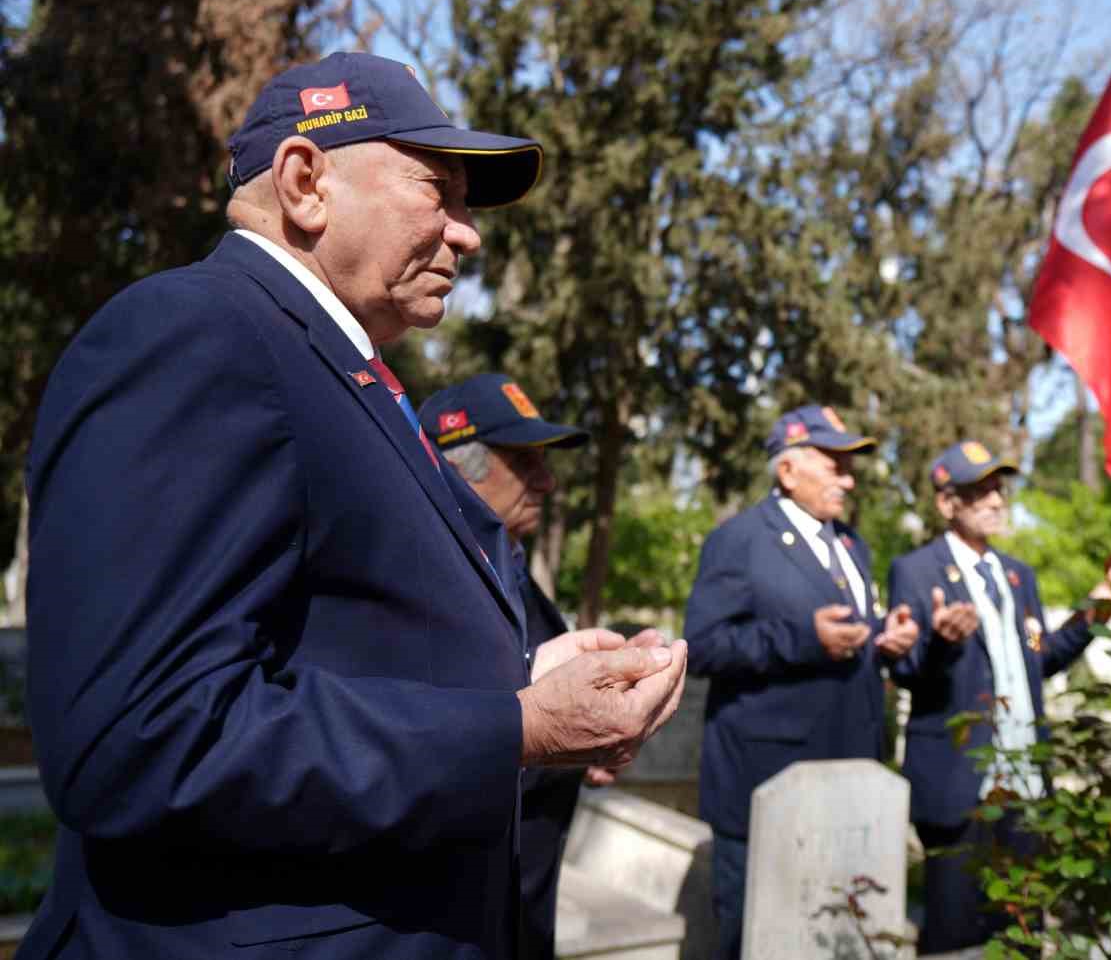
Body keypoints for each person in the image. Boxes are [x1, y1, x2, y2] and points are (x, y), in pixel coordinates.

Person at [21, 52, 687, 960]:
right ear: (306, 182)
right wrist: (518, 728)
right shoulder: (199, 337)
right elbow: (143, 739)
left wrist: (523, 671)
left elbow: (334, 645)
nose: (469, 234)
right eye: (436, 189)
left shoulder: (344, 375)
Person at [684, 405, 920, 960]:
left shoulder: (850, 543)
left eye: (850, 465)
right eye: (834, 464)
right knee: (754, 939)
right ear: (787, 472)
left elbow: (847, 630)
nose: (849, 478)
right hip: (766, 782)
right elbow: (704, 645)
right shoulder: (739, 539)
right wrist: (803, 639)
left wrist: (885, 635)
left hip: (847, 776)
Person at [420, 373, 630, 960]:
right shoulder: (422, 575)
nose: (547, 482)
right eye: (523, 461)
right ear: (456, 465)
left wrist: (591, 736)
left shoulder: (510, 563)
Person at [886, 440, 1093, 954]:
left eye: (999, 489)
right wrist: (941, 641)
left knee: (1022, 932)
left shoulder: (1020, 574)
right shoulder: (916, 571)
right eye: (980, 491)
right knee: (956, 937)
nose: (997, 501)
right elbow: (908, 671)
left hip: (1024, 784)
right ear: (946, 503)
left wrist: (1090, 619)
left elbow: (1035, 663)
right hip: (959, 786)